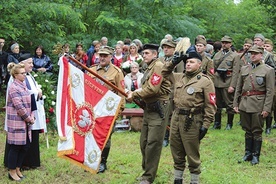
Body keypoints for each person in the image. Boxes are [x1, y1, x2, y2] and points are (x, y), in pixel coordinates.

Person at [162, 46, 216, 184]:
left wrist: (205, 125)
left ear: (199, 64)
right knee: (176, 150)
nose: (188, 64)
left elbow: (211, 105)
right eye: (186, 62)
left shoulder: (205, 81)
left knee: (192, 152)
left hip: (192, 120)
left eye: (191, 62)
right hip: (176, 118)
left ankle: (194, 180)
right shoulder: (179, 77)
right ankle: (178, 179)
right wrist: (174, 62)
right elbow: (164, 72)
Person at [127, 44, 171, 184]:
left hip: (159, 108)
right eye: (143, 53)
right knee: (144, 142)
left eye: (146, 53)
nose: (143, 55)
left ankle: (148, 176)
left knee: (153, 142)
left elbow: (152, 88)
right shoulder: (149, 67)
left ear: (154, 54)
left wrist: (134, 93)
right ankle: (147, 170)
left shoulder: (158, 66)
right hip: (149, 107)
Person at [233, 45, 274, 165]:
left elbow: (270, 91)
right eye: (251, 53)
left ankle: (256, 155)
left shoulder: (268, 70)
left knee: (257, 130)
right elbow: (238, 88)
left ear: (261, 55)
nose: (253, 55)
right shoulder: (245, 69)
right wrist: (235, 103)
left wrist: (267, 108)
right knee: (247, 129)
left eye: (255, 53)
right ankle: (248, 153)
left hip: (258, 104)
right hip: (245, 103)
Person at [88, 46, 125, 173]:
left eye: (105, 56)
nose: (102, 58)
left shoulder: (117, 72)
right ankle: (91, 160)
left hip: (108, 111)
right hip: (92, 109)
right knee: (91, 135)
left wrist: (119, 110)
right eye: (100, 55)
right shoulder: (91, 70)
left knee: (105, 136)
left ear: (111, 57)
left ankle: (103, 162)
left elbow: (122, 93)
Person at [6, 62, 35, 181]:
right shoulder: (13, 88)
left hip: (26, 121)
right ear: (15, 75)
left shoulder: (23, 85)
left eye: (25, 73)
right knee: (15, 148)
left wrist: (32, 115)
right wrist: (29, 118)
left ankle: (18, 168)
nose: (25, 75)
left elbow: (29, 101)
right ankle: (12, 171)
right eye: (22, 73)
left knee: (25, 146)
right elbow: (20, 107)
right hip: (17, 122)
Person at [212, 36, 242, 130]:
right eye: (223, 42)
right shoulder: (217, 55)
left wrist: (232, 85)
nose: (224, 44)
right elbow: (213, 69)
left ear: (230, 44)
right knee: (216, 104)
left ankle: (229, 124)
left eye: (226, 42)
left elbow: (236, 72)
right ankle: (217, 123)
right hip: (217, 81)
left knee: (229, 104)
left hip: (227, 81)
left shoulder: (235, 56)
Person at [159, 39, 177, 147]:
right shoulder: (160, 59)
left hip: (171, 90)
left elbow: (178, 76)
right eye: (164, 47)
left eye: (168, 47)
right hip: (160, 90)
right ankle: (163, 135)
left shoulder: (177, 60)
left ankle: (167, 137)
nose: (166, 49)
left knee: (170, 115)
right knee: (162, 114)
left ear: (174, 49)